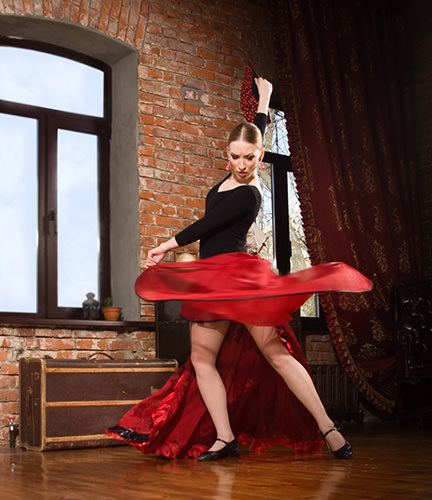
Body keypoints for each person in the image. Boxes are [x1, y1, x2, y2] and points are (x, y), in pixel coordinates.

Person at [107, 77, 372, 461]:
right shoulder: (238, 167)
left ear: (260, 158)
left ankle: (329, 428)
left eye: (251, 158)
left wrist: (167, 244)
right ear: (227, 155)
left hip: (236, 278)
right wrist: (263, 102)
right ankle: (224, 436)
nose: (243, 164)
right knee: (201, 359)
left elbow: (205, 227)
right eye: (236, 157)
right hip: (215, 279)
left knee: (276, 353)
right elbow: (254, 133)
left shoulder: (248, 194)